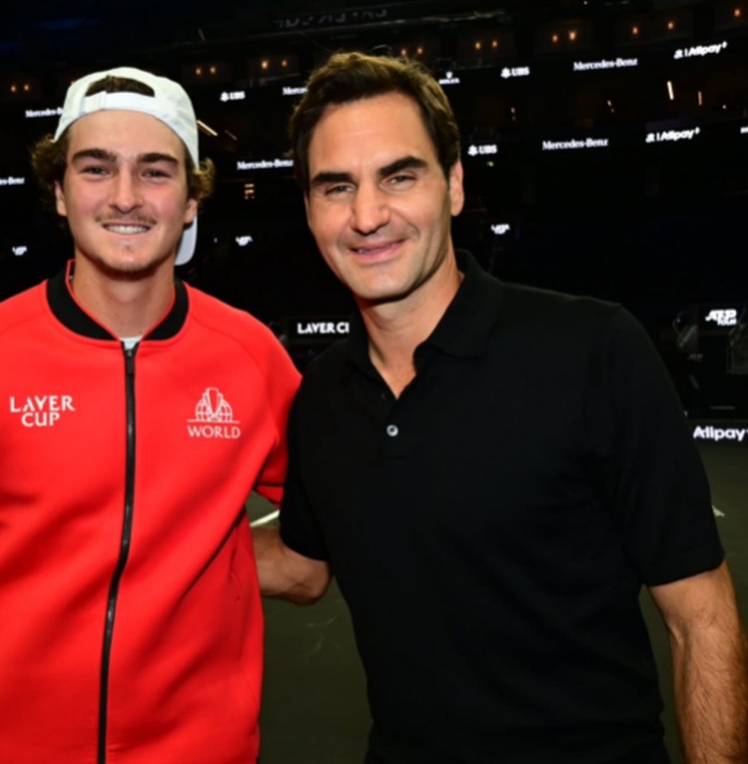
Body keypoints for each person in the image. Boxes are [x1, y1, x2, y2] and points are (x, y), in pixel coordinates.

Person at [255, 51, 748, 763]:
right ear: (309, 210)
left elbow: (702, 621)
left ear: (454, 185)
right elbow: (302, 564)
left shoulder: (593, 349)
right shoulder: (323, 399)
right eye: (337, 187)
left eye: (399, 176)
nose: (367, 215)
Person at [0, 66, 300, 764]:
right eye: (96, 169)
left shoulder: (253, 358)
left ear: (193, 199)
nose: (125, 198)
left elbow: (328, 526)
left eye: (156, 172)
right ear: (60, 192)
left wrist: (209, 568)